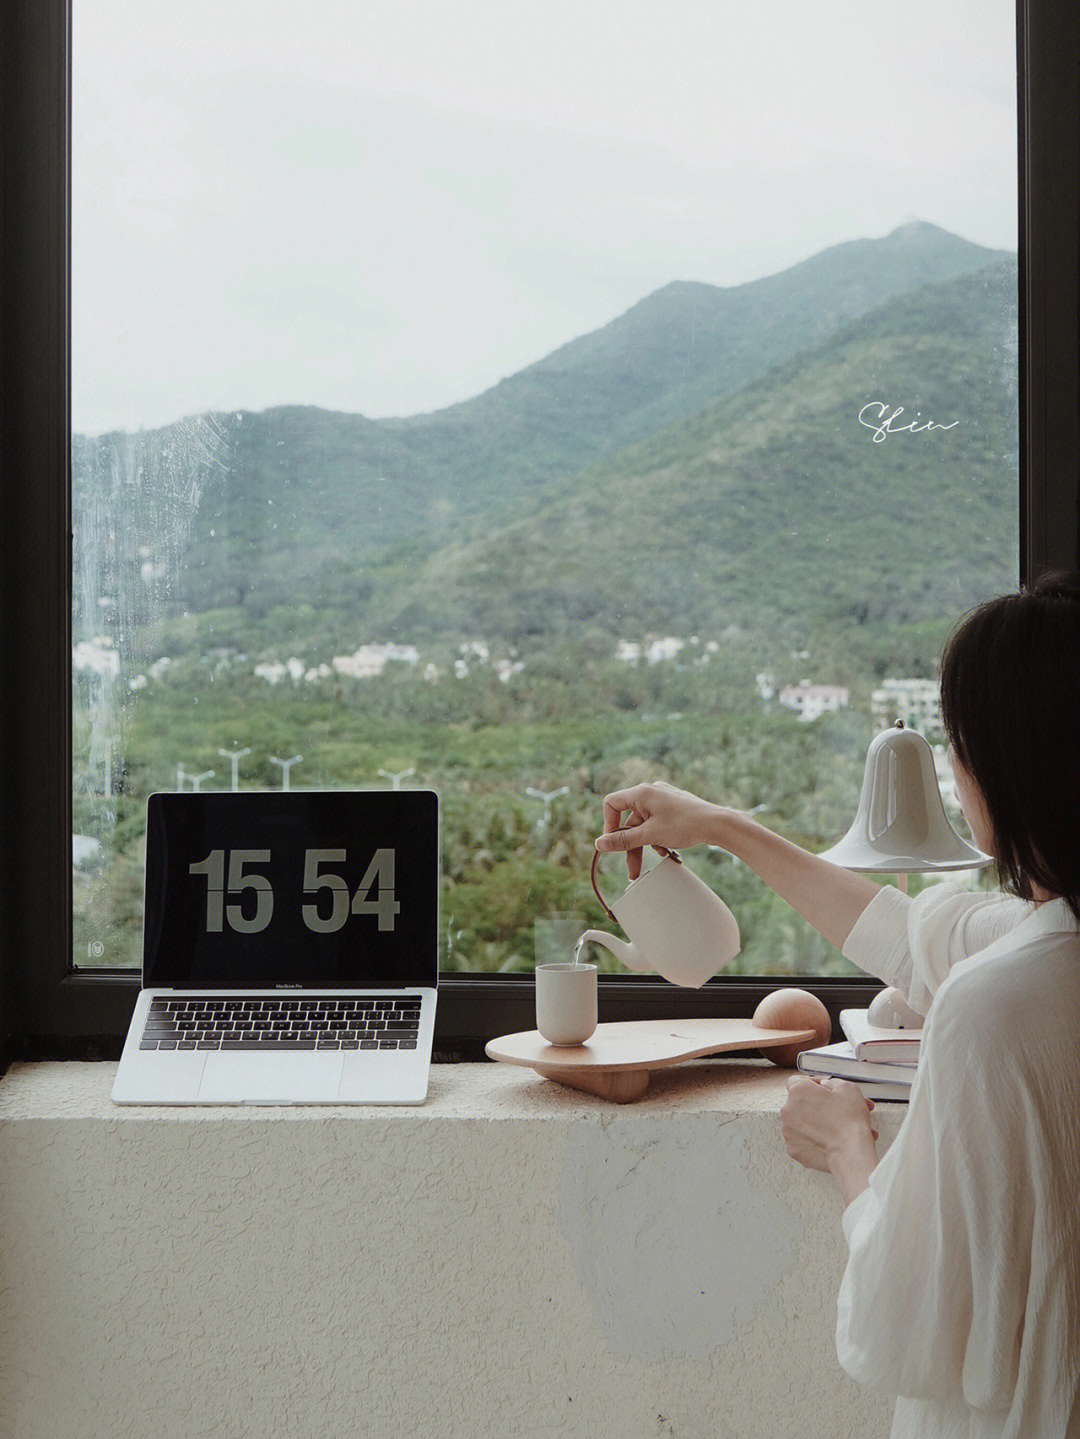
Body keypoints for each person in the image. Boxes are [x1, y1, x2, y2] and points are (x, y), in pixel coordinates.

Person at [594, 571, 1080, 1438]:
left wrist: (848, 1149)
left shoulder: (993, 1005)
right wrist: (716, 824)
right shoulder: (1033, 945)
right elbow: (898, 932)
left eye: (959, 745)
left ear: (1007, 764)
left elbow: (911, 1319)